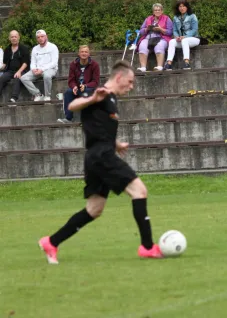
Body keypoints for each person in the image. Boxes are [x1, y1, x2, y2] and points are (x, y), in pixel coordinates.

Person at [39, 61, 163, 264]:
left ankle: (51, 242)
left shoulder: (111, 99)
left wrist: (116, 144)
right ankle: (148, 247)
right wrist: (92, 98)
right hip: (101, 156)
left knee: (94, 209)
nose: (131, 87)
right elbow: (72, 105)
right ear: (119, 78)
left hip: (97, 155)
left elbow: (98, 128)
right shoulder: (101, 93)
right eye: (130, 82)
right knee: (139, 191)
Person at [57, 45, 100, 123]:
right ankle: (68, 118)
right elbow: (71, 80)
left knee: (86, 92)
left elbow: (95, 81)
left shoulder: (94, 65)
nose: (84, 53)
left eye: (86, 52)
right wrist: (74, 87)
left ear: (89, 54)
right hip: (77, 88)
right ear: (79, 54)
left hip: (89, 88)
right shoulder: (73, 64)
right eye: (82, 52)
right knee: (68, 93)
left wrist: (86, 85)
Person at [20, 29, 59, 101]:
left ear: (46, 36)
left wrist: (42, 69)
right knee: (23, 78)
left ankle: (47, 96)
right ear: (36, 39)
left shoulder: (53, 47)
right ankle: (38, 94)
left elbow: (54, 63)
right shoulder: (35, 49)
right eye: (38, 37)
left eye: (42, 36)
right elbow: (33, 62)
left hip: (50, 69)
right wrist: (33, 69)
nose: (40, 38)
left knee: (47, 75)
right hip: (37, 70)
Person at [165, 0, 200, 71]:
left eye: (184, 6)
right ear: (178, 8)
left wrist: (185, 36)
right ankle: (169, 63)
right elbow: (174, 30)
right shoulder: (175, 17)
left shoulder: (192, 16)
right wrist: (176, 37)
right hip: (181, 39)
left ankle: (186, 63)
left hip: (194, 38)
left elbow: (194, 29)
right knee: (171, 41)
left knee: (185, 41)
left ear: (187, 7)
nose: (182, 8)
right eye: (180, 6)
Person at [137, 3, 173, 72]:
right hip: (149, 38)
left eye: (159, 10)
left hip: (162, 38)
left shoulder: (167, 18)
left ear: (162, 11)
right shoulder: (148, 19)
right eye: (155, 10)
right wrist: (147, 29)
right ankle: (143, 67)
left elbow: (170, 32)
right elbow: (141, 31)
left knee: (159, 46)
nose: (157, 11)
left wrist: (161, 29)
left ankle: (159, 66)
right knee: (142, 45)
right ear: (153, 12)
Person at [0, 30, 30, 103]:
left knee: (17, 77)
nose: (14, 38)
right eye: (12, 37)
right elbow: (4, 64)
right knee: (2, 78)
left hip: (22, 70)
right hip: (9, 71)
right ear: (9, 38)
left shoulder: (24, 48)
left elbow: (25, 63)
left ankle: (14, 98)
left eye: (15, 36)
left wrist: (19, 71)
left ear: (18, 37)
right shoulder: (7, 49)